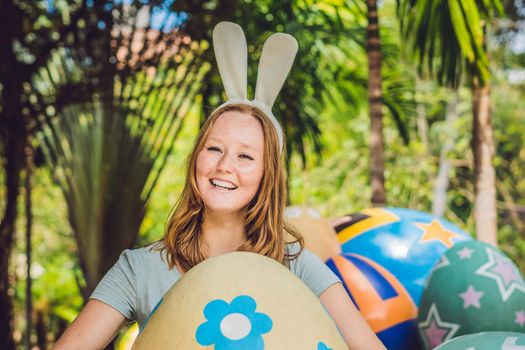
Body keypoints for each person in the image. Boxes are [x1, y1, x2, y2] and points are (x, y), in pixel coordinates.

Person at [53, 22, 385, 350]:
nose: (225, 166)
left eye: (245, 156)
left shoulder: (298, 265)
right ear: (196, 157)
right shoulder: (140, 269)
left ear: (267, 175)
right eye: (214, 149)